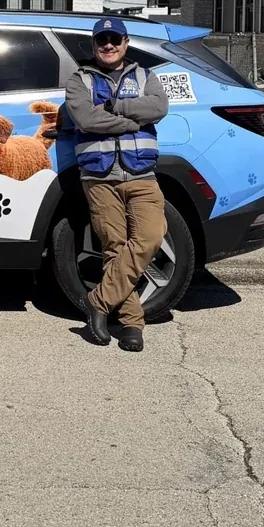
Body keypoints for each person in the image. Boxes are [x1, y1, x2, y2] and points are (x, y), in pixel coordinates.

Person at [62, 17, 169, 350]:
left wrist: (115, 106)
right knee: (115, 248)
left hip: (141, 176)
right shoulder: (79, 80)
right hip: (99, 177)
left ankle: (98, 301)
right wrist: (132, 122)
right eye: (101, 40)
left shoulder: (145, 76)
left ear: (125, 43)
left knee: (151, 238)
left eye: (114, 39)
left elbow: (158, 106)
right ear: (94, 45)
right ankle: (132, 325)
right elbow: (85, 118)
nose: (108, 45)